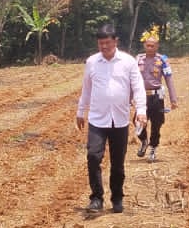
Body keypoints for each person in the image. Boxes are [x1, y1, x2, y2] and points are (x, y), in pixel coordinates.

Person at [75, 24, 145, 213]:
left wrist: (141, 110)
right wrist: (80, 111)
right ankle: (96, 198)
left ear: (116, 41)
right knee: (93, 156)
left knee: (117, 163)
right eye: (101, 43)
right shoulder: (92, 62)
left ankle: (117, 198)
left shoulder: (128, 62)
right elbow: (86, 89)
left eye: (107, 42)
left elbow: (138, 87)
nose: (104, 46)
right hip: (97, 119)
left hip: (120, 120)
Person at [134, 31, 178, 162]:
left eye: (152, 46)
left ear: (157, 46)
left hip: (156, 97)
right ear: (144, 45)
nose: (150, 48)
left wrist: (173, 99)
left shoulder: (162, 60)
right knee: (137, 121)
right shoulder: (138, 59)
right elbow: (132, 79)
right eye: (148, 45)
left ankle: (153, 148)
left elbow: (169, 79)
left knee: (156, 123)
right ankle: (144, 141)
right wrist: (129, 97)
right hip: (142, 97)